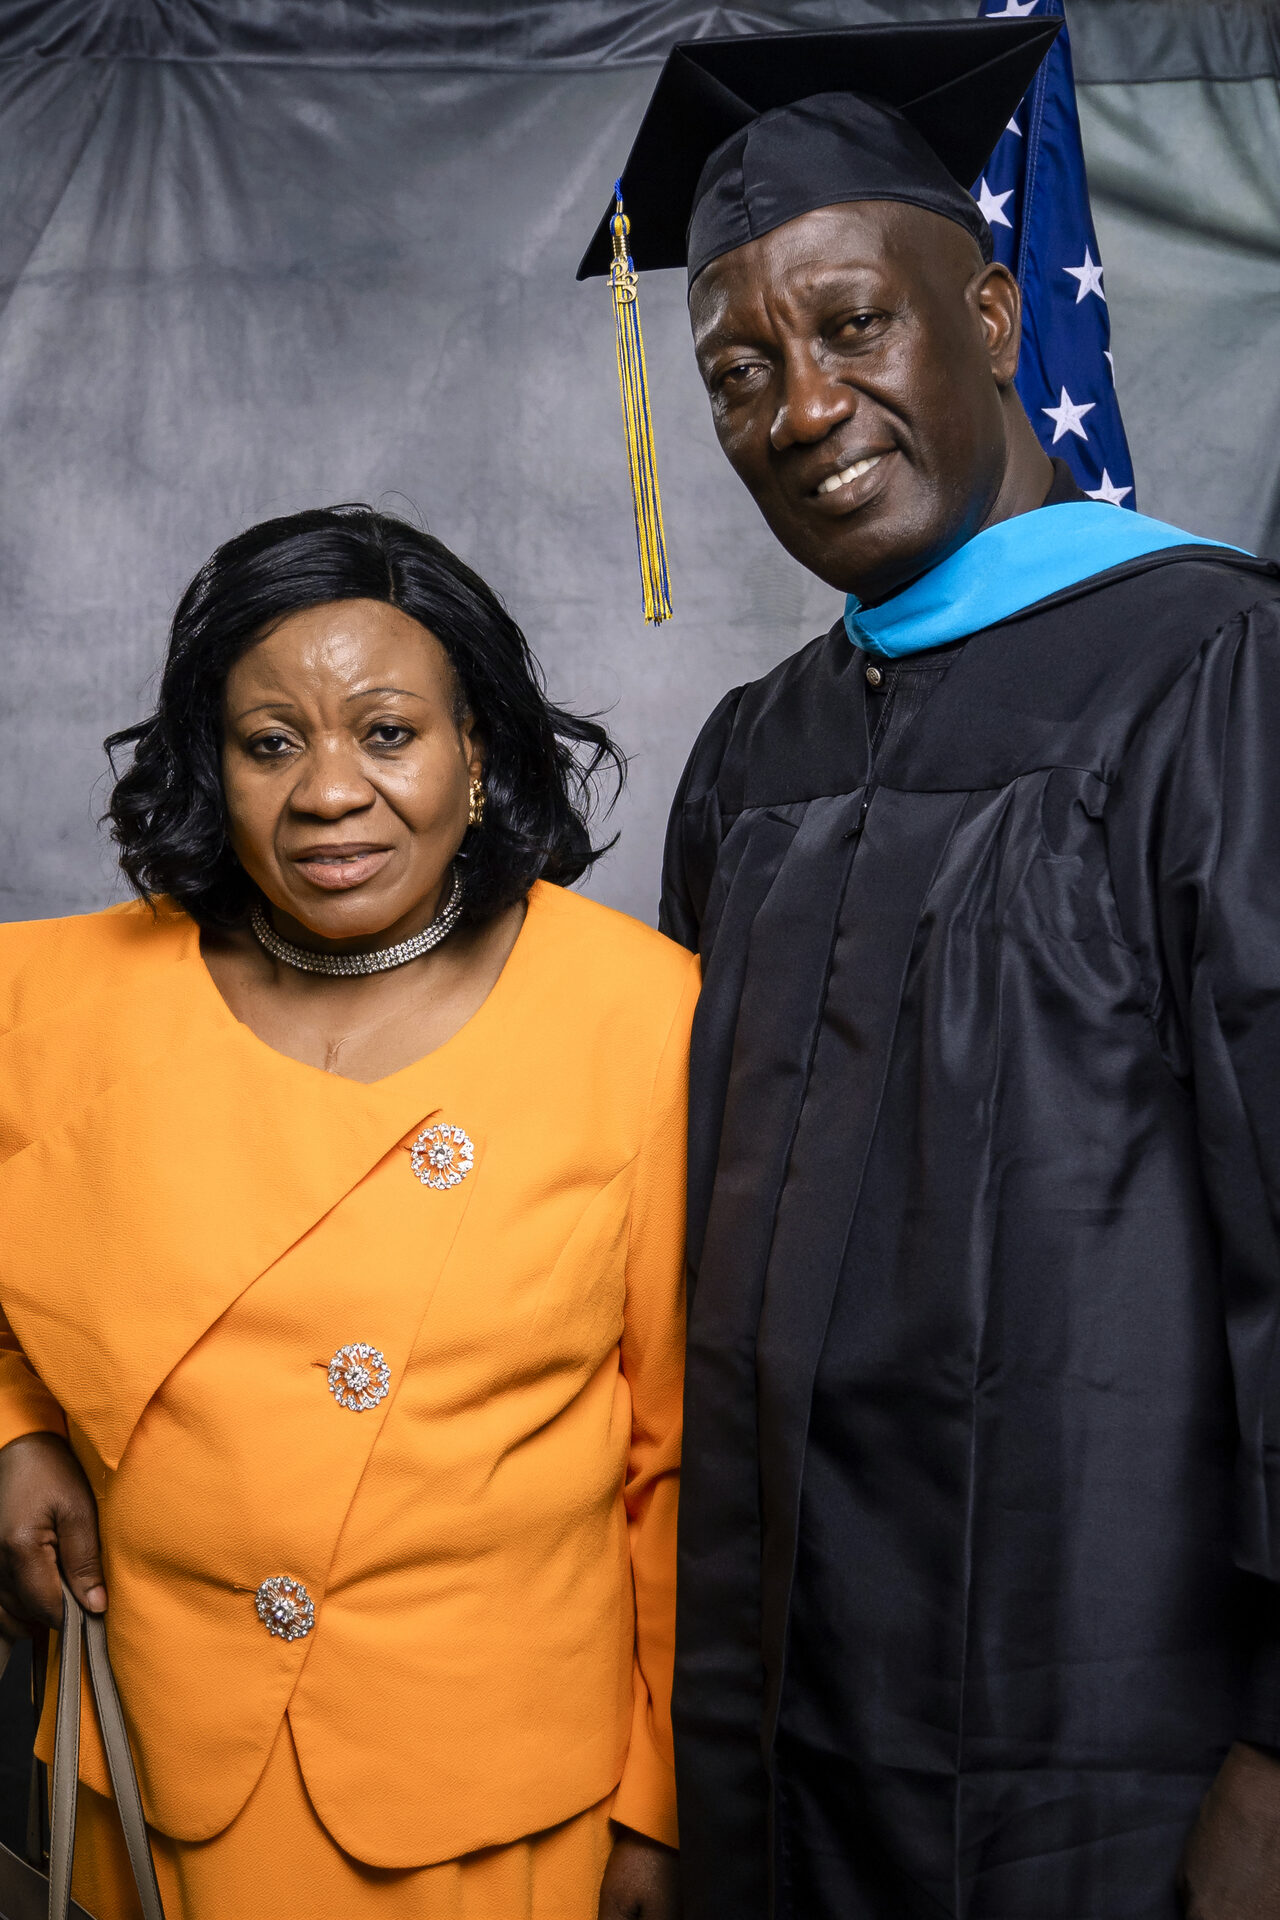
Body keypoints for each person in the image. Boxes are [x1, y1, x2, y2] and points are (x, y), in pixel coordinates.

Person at [578, 19, 1280, 1920]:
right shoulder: (757, 751)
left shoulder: (1210, 670)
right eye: (738, 371)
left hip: (1097, 1716)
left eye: (853, 327)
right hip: (778, 1705)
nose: (802, 408)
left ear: (989, 313)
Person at [0, 505, 693, 1920]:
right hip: (155, 1765)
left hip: (499, 1803)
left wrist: (661, 1807)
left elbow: (677, 1456)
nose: (328, 792)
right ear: (213, 765)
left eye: (388, 733)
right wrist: (11, 1432)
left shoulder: (639, 1011)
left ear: (477, 750)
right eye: (271, 743)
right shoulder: (53, 999)